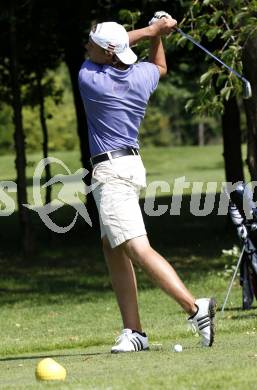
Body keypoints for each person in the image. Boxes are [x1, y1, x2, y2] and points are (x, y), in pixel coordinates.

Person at [78, 13, 216, 353]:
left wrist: (153, 30)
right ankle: (134, 331)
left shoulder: (90, 78)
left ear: (108, 53)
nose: (86, 48)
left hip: (111, 172)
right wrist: (158, 35)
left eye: (93, 45)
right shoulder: (142, 76)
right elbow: (161, 67)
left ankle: (195, 308)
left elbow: (118, 47)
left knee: (137, 248)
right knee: (112, 247)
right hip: (130, 167)